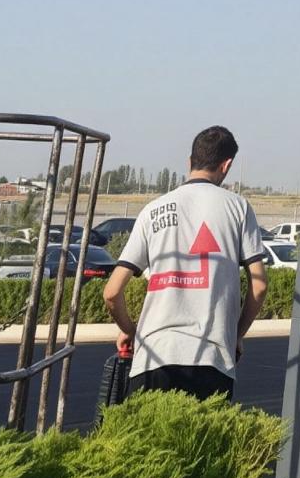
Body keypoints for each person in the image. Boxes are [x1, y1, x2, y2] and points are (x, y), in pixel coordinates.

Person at [104, 124, 267, 400]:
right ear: (226, 165)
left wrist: (131, 331)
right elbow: (259, 287)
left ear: (190, 161)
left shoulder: (152, 210)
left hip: (152, 358)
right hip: (212, 360)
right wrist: (235, 336)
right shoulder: (238, 207)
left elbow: (111, 293)